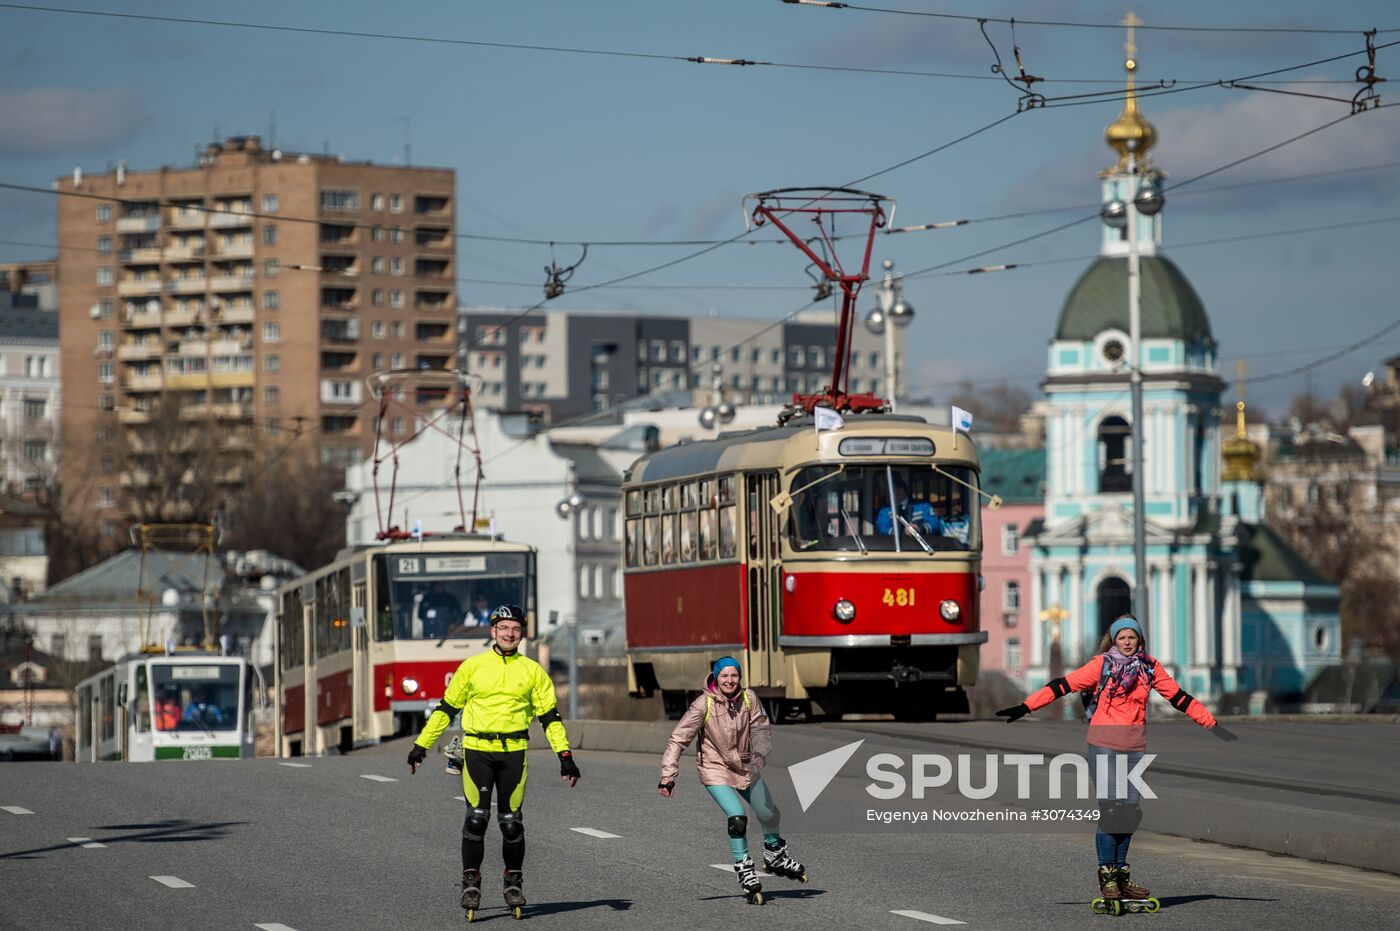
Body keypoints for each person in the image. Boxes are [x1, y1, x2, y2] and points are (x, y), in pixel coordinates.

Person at [996, 615, 1236, 911]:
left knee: (1130, 813)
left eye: (1131, 638)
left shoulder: (1149, 667)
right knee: (1112, 812)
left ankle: (1122, 877)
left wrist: (1212, 724)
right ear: (1113, 640)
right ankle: (1107, 877)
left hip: (1134, 748)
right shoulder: (1101, 664)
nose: (1126, 643)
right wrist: (1026, 706)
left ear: (1139, 641)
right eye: (1121, 638)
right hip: (1104, 745)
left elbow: (1179, 698)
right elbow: (1063, 685)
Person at [407, 604, 581, 919]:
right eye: (504, 628)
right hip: (477, 750)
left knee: (511, 823)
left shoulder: (532, 672)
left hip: (514, 751)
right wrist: (422, 745)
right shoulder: (472, 667)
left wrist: (565, 756)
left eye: (515, 629)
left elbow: (550, 718)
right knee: (476, 818)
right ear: (493, 632)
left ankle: (513, 880)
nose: (509, 634)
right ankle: (471, 881)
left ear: (522, 634)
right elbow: (447, 710)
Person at [658, 656, 806, 905]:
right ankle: (745, 869)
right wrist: (667, 777)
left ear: (740, 677)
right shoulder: (703, 704)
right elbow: (678, 739)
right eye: (724, 676)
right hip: (714, 768)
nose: (729, 680)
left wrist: (760, 752)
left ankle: (775, 854)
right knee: (737, 818)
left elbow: (761, 727)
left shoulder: (749, 698)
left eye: (734, 675)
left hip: (745, 764)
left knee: (769, 813)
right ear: (716, 677)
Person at [875, 479, 943, 539]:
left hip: (922, 548)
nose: (887, 494)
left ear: (901, 491)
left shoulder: (923, 506)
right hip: (895, 549)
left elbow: (934, 523)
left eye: (891, 491)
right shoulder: (885, 510)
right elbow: (882, 528)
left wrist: (918, 529)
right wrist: (902, 532)